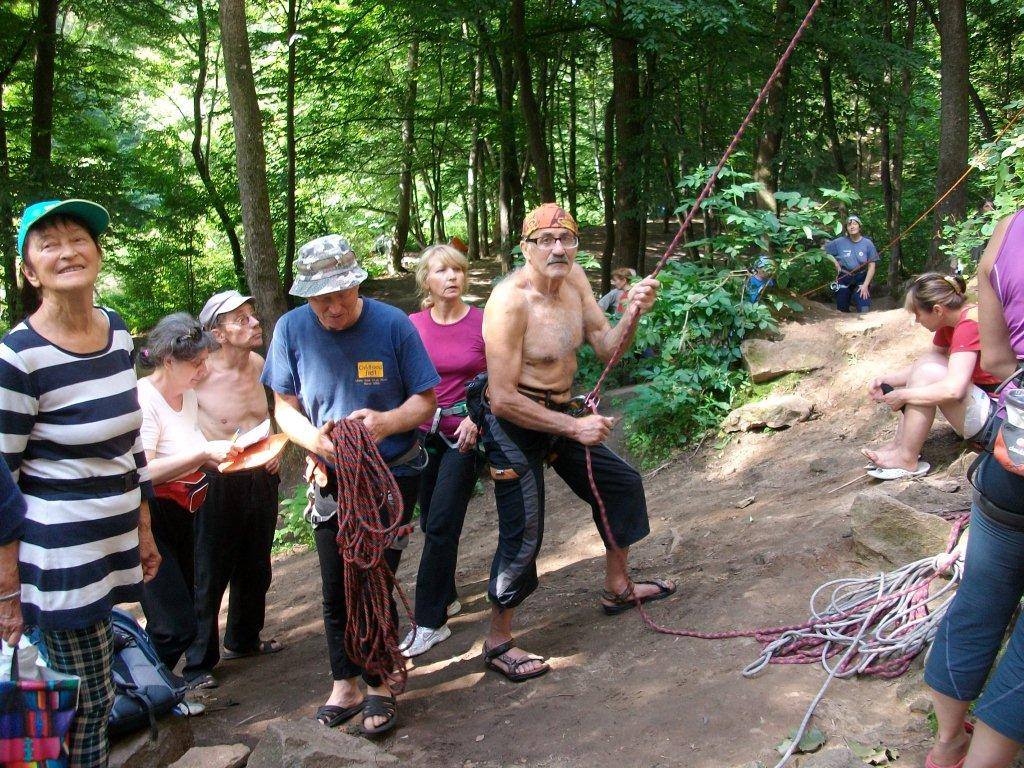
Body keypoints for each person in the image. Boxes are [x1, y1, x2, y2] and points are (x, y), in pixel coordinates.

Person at [469, 203, 675, 683]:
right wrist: (574, 428)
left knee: (620, 484)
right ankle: (498, 640)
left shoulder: (576, 281)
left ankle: (618, 586)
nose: (558, 248)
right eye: (545, 240)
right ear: (526, 248)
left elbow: (607, 348)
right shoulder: (508, 302)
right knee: (525, 528)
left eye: (567, 239)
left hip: (560, 411)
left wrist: (632, 313)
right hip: (515, 421)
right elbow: (500, 399)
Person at [0, 199, 161, 768]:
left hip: (111, 542)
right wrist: (6, 591)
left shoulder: (116, 331)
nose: (68, 251)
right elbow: (1, 479)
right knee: (86, 703)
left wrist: (144, 528)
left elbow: (131, 441)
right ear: (29, 270)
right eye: (48, 244)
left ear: (97, 251)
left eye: (79, 239)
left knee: (96, 696)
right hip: (58, 555)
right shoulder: (18, 357)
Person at [262, 235, 439, 737]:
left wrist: (383, 423)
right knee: (335, 583)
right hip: (330, 478)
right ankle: (345, 683)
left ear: (357, 283)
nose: (333, 307)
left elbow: (425, 401)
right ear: (306, 296)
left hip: (393, 475)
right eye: (321, 298)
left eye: (342, 294)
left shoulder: (392, 324)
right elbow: (283, 408)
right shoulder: (291, 329)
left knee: (377, 579)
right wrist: (316, 441)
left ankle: (380, 682)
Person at [921, 210, 1024, 768]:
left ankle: (947, 743)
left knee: (980, 597)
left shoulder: (1010, 230)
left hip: (1015, 460)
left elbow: (1001, 359)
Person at [183, 290, 283, 686]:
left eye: (251, 315)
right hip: (216, 479)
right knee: (209, 567)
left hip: (261, 475)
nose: (253, 322)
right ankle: (198, 663)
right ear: (217, 333)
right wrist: (200, 457)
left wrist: (274, 444)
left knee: (256, 562)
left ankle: (244, 637)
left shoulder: (258, 363)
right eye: (239, 319)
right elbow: (175, 421)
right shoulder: (198, 372)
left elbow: (266, 414)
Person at [136, 313, 237, 683]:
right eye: (196, 364)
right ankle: (140, 686)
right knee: (171, 624)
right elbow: (140, 472)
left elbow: (190, 446)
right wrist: (201, 455)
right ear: (167, 361)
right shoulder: (144, 399)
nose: (203, 370)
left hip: (187, 510)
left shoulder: (188, 395)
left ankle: (157, 688)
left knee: (190, 611)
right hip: (150, 518)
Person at [401, 244, 486, 657]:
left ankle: (431, 622)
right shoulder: (412, 325)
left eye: (457, 270)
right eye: (441, 271)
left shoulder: (484, 323)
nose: (452, 277)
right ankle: (448, 594)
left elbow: (499, 377)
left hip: (464, 435)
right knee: (428, 521)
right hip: (422, 435)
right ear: (426, 281)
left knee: (440, 524)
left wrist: (479, 417)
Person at [860, 273, 1000, 478]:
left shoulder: (968, 325)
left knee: (927, 372)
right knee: (926, 364)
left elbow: (954, 389)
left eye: (918, 314)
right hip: (988, 411)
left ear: (937, 310)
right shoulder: (951, 323)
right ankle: (900, 447)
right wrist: (887, 380)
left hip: (998, 421)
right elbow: (925, 364)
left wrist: (904, 396)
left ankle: (906, 457)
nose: (917, 321)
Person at [824, 215, 878, 313]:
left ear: (859, 227)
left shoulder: (867, 243)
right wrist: (835, 262)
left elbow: (872, 266)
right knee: (842, 309)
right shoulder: (839, 242)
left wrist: (865, 285)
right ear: (847, 229)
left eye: (854, 224)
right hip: (844, 278)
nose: (852, 227)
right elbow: (822, 251)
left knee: (864, 309)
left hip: (861, 279)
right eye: (849, 225)